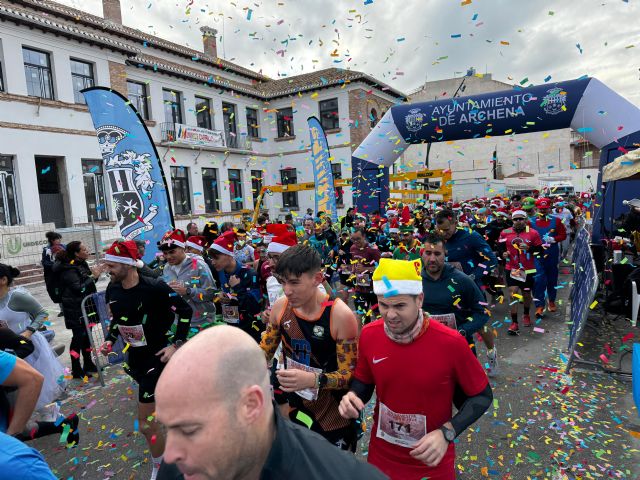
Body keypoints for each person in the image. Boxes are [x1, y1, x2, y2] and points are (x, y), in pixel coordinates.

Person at [155, 326, 387, 480]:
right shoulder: (175, 470)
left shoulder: (339, 474)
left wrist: (316, 380)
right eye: (166, 428)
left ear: (251, 405)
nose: (171, 454)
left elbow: (351, 373)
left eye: (189, 430)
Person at [339, 258, 492, 480]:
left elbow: (482, 396)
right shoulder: (370, 334)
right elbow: (365, 380)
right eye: (383, 305)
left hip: (430, 461)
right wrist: (352, 396)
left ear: (419, 299)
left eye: (400, 306)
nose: (390, 315)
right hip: (382, 456)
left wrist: (447, 432)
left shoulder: (450, 342)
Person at [100, 240, 193, 480]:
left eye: (111, 265)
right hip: (136, 359)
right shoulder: (113, 288)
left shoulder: (156, 287)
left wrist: (176, 344)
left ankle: (160, 466)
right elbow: (117, 320)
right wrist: (110, 340)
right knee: (168, 412)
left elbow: (185, 311)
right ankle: (184, 445)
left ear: (128, 265)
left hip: (158, 358)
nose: (107, 269)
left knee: (145, 422)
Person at [259, 245, 359, 451]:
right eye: (283, 282)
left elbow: (350, 375)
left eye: (295, 283)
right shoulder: (281, 306)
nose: (287, 291)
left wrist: (314, 380)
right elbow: (263, 353)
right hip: (296, 405)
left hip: (332, 414)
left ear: (317, 278)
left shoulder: (339, 315)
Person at [420, 233, 497, 376]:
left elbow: (482, 312)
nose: (432, 259)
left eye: (437, 254)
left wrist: (461, 332)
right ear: (422, 253)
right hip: (427, 348)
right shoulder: (415, 281)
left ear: (445, 254)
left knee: (466, 393)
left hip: (460, 346)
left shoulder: (462, 280)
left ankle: (492, 353)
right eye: (428, 253)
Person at [0, 264, 65, 409]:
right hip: (8, 349)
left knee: (40, 391)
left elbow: (42, 313)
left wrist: (29, 331)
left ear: (3, 280)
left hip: (28, 346)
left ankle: (56, 423)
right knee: (16, 394)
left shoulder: (17, 296)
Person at [52, 241, 103, 378]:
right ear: (76, 253)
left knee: (88, 336)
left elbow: (88, 284)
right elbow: (79, 288)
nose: (88, 251)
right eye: (84, 249)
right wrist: (93, 276)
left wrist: (94, 277)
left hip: (87, 306)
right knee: (78, 338)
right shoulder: (68, 268)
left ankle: (88, 362)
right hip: (75, 308)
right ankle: (76, 368)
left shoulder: (81, 263)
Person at [208, 231, 263, 343]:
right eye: (211, 259)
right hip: (230, 325)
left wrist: (237, 287)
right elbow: (215, 291)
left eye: (216, 258)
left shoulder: (250, 273)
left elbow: (255, 306)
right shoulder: (219, 271)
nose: (213, 262)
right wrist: (219, 295)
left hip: (250, 329)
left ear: (228, 255)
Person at [498, 210, 543, 335]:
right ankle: (514, 323)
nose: (518, 221)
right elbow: (500, 246)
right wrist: (503, 253)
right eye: (515, 219)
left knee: (526, 294)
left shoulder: (533, 233)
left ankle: (526, 314)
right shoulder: (505, 232)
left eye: (521, 219)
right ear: (512, 220)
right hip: (512, 268)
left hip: (528, 269)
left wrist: (529, 248)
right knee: (513, 293)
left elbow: (540, 251)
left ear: (526, 220)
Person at [160, 230, 217, 328]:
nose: (168, 257)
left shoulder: (199, 265)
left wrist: (188, 291)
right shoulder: (167, 268)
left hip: (201, 322)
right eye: (165, 253)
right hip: (178, 321)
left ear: (183, 248)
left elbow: (211, 293)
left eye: (172, 252)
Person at [530, 197, 567, 317]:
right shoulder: (530, 222)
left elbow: (563, 235)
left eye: (545, 209)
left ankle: (551, 300)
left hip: (552, 253)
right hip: (537, 254)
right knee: (539, 280)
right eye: (541, 209)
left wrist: (554, 239)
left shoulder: (556, 221)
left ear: (549, 208)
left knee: (552, 278)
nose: (543, 211)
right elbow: (526, 236)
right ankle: (539, 306)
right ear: (536, 209)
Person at [350, 227, 381, 324]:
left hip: (374, 289)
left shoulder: (372, 250)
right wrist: (353, 270)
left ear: (364, 237)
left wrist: (365, 269)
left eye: (358, 239)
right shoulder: (353, 248)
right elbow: (354, 264)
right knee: (361, 316)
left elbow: (380, 268)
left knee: (378, 315)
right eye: (353, 239)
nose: (355, 242)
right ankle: (363, 337)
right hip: (360, 288)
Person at [41, 231, 65, 315]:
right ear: (52, 240)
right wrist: (55, 265)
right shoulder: (47, 250)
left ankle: (66, 307)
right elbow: (45, 262)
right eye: (57, 239)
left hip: (63, 272)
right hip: (54, 275)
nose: (59, 240)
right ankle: (62, 309)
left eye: (59, 238)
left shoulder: (63, 247)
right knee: (57, 291)